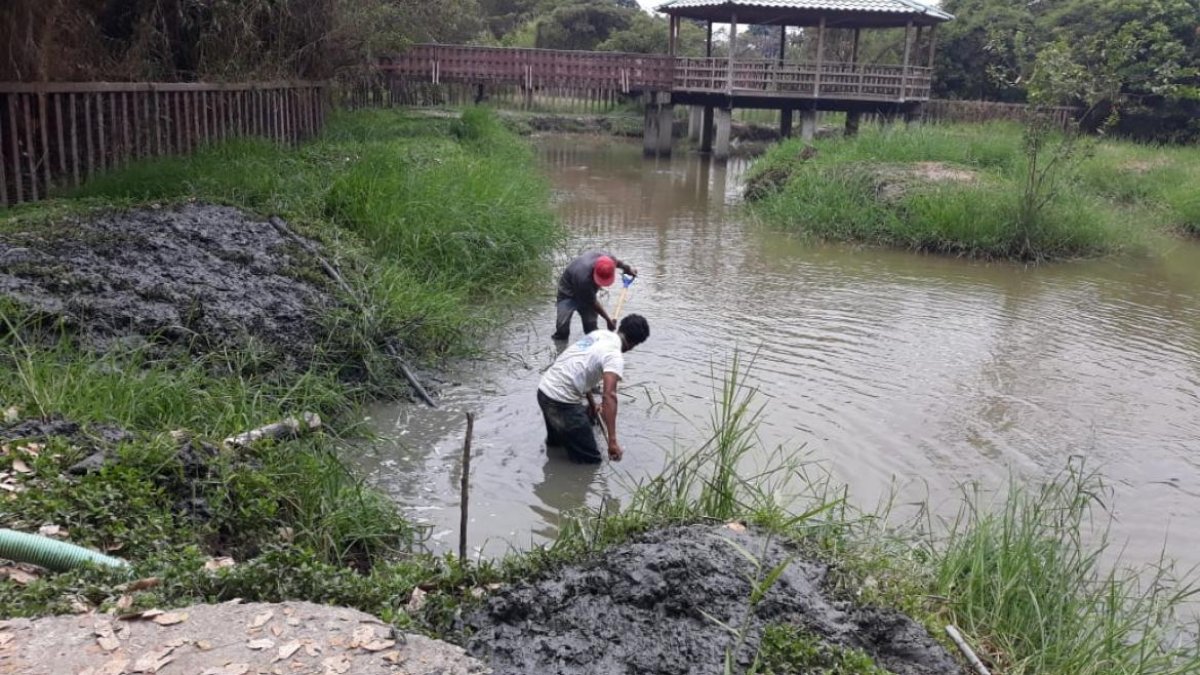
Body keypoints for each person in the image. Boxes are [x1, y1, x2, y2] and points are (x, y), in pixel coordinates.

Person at [537, 314, 650, 463]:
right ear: (634, 344)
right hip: (561, 401)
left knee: (556, 445)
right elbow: (609, 396)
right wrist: (612, 441)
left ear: (621, 327)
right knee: (591, 461)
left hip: (545, 390)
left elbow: (581, 369)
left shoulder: (599, 334)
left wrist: (592, 404)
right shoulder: (614, 356)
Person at [552, 250, 637, 341]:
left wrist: (627, 269)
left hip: (587, 292)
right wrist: (608, 320)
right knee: (562, 329)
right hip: (567, 293)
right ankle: (560, 349)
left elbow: (618, 263)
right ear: (594, 271)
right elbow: (592, 302)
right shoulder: (584, 278)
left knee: (591, 328)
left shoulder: (609, 260)